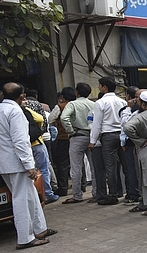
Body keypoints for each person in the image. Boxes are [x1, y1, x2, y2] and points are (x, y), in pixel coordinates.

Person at [0, 82, 57, 249]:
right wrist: (29, 165)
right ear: (22, 96)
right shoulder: (15, 111)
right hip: (16, 162)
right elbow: (21, 141)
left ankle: (40, 229)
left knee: (30, 194)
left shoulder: (2, 109)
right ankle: (25, 238)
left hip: (6, 162)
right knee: (22, 198)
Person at [89, 76, 127, 205]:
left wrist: (92, 140)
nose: (98, 87)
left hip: (108, 136)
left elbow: (97, 124)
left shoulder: (100, 103)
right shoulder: (122, 101)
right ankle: (129, 191)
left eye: (99, 85)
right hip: (121, 134)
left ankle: (112, 194)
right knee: (125, 166)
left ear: (104, 87)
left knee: (110, 166)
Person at [60, 83, 95, 204]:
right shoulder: (93, 104)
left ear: (77, 93)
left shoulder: (72, 104)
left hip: (77, 136)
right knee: (94, 166)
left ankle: (77, 195)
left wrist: (70, 130)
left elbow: (64, 118)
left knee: (76, 168)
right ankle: (96, 193)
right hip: (92, 137)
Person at [48, 88, 75, 197]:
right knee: (78, 162)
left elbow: (50, 119)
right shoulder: (78, 104)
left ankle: (63, 188)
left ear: (63, 97)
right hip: (77, 136)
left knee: (62, 163)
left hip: (63, 138)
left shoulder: (60, 106)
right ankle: (81, 185)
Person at [120, 86, 142, 206]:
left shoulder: (133, 110)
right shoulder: (141, 109)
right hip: (136, 142)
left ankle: (134, 194)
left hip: (132, 143)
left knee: (132, 170)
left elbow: (125, 126)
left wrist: (123, 142)